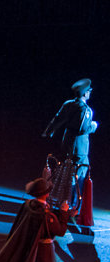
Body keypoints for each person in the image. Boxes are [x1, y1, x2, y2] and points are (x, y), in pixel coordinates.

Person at [42, 78, 97, 224]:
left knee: (65, 174)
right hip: (79, 150)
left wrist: (48, 133)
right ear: (85, 93)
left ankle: (60, 202)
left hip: (66, 145)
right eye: (89, 91)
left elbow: (57, 119)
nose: (90, 93)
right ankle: (69, 208)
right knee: (77, 177)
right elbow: (82, 129)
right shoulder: (85, 109)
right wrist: (93, 126)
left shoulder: (68, 104)